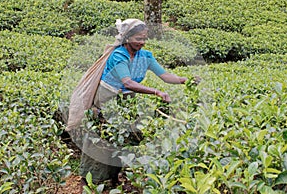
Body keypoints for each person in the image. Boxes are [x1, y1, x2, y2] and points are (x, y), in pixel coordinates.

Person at [77, 18, 201, 191]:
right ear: (127, 38)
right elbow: (128, 83)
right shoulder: (118, 55)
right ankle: (88, 179)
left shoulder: (145, 56)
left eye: (144, 38)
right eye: (138, 38)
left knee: (121, 137)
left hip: (125, 101)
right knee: (102, 137)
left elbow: (165, 76)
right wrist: (156, 92)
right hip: (106, 98)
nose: (141, 42)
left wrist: (185, 80)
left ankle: (113, 177)